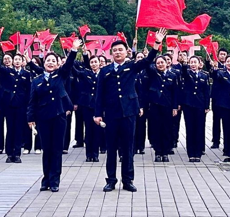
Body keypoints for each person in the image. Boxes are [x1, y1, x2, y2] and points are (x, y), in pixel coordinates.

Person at [94, 29, 165, 193]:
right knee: (111, 148)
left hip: (129, 113)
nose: (118, 52)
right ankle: (111, 180)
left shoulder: (132, 66)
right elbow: (99, 95)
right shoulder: (105, 71)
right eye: (115, 50)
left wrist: (156, 44)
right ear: (111, 53)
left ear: (127, 52)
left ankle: (128, 180)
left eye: (120, 50)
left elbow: (147, 61)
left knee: (128, 148)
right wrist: (97, 114)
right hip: (111, 114)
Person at [27, 38, 81, 192]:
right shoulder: (36, 80)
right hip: (43, 118)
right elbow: (32, 101)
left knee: (57, 149)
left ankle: (55, 180)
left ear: (58, 64)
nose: (50, 63)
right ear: (44, 63)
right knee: (47, 150)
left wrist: (74, 49)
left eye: (53, 61)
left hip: (59, 117)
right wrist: (30, 118)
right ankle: (45, 179)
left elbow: (69, 63)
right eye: (48, 60)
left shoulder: (61, 75)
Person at [0, 46, 42, 163]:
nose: (17, 61)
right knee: (10, 129)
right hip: (9, 105)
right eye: (15, 60)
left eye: (19, 60)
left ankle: (17, 154)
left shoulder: (26, 74)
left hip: (21, 105)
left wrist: (29, 106)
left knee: (19, 130)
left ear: (22, 62)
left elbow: (30, 91)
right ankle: (9, 153)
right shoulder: (7, 71)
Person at [144, 54, 179, 162]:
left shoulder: (173, 75)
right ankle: (158, 152)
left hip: (167, 106)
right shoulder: (153, 74)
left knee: (167, 129)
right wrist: (147, 56)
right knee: (156, 129)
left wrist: (174, 107)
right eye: (158, 63)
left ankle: (165, 152)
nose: (160, 64)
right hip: (154, 105)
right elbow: (146, 66)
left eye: (162, 62)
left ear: (167, 63)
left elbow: (175, 93)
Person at [74, 52, 104, 162]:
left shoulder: (103, 74)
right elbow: (74, 71)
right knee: (88, 129)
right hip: (86, 105)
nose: (94, 64)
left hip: (98, 106)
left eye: (95, 62)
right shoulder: (85, 73)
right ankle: (88, 154)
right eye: (92, 62)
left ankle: (95, 154)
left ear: (99, 63)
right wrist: (71, 54)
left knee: (97, 130)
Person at [179, 55, 210, 162]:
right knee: (190, 129)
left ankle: (198, 153)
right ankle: (191, 153)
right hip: (188, 105)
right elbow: (184, 72)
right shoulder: (187, 73)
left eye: (195, 62)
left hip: (200, 105)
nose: (193, 64)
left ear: (199, 64)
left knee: (199, 129)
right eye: (191, 62)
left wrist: (207, 105)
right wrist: (184, 63)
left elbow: (206, 91)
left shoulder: (204, 75)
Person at [210, 47, 228, 148]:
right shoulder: (215, 65)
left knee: (227, 120)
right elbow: (213, 75)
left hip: (227, 98)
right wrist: (214, 68)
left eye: (224, 54)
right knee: (216, 119)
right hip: (217, 97)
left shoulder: (229, 66)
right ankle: (215, 141)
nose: (222, 56)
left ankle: (227, 141)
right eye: (221, 54)